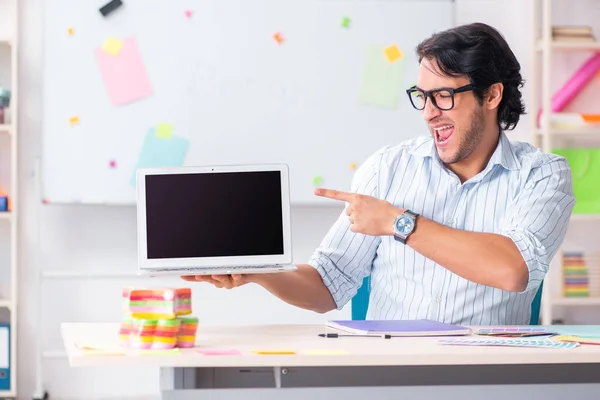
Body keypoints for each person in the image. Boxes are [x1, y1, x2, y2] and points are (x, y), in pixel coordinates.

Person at [182, 22, 575, 325]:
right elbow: (327, 285)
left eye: (444, 96)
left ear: (491, 95)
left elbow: (511, 270)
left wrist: (398, 222)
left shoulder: (542, 175)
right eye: (421, 96)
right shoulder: (389, 167)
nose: (428, 112)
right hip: (392, 374)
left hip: (488, 380)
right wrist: (258, 270)